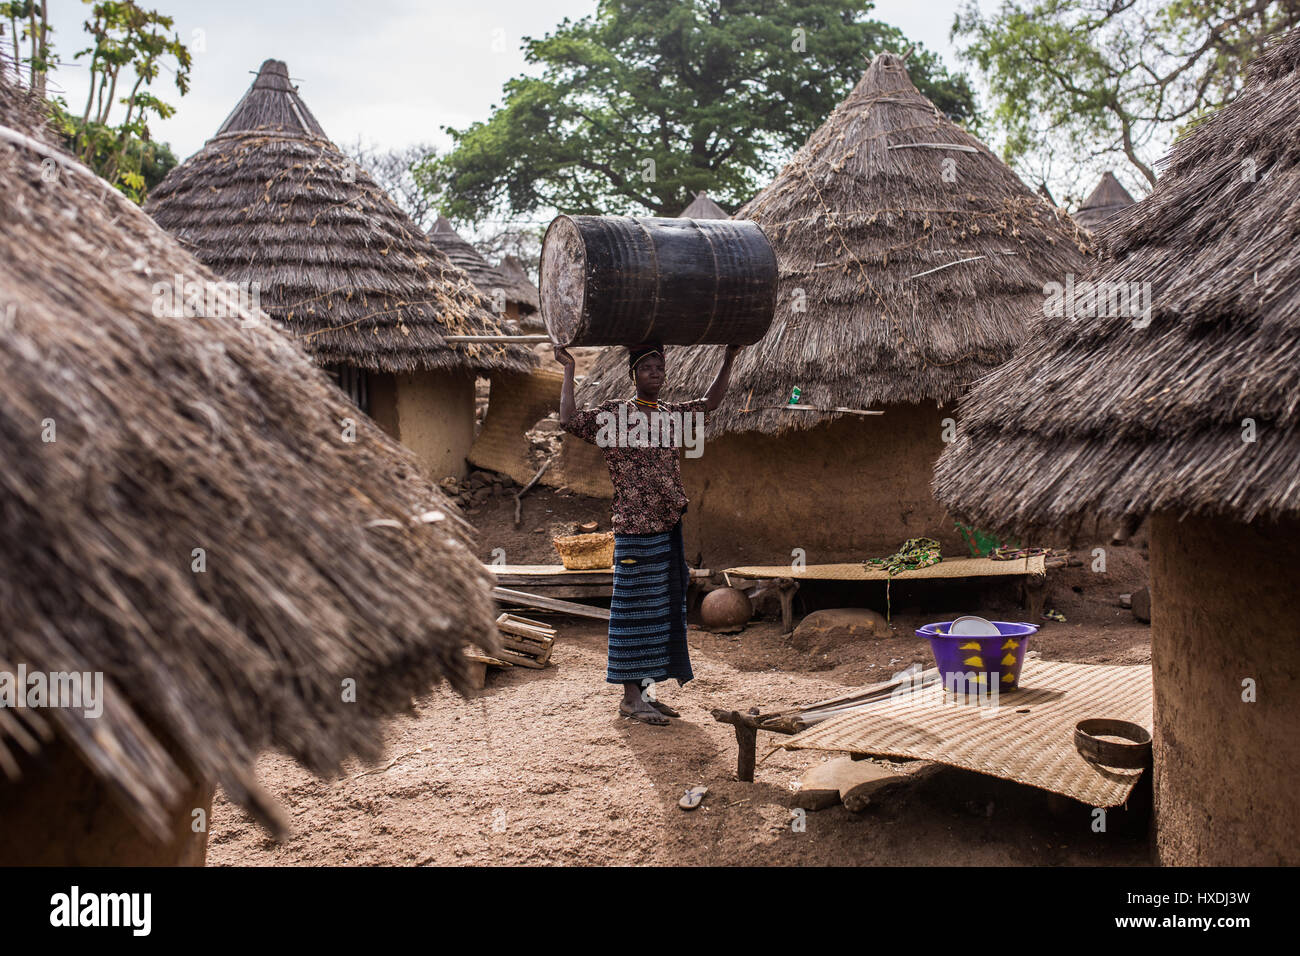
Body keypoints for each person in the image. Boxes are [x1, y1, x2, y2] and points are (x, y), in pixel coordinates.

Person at [555, 342, 741, 725]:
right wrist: (569, 368)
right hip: (634, 530)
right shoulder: (615, 416)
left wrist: (729, 357)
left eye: (659, 366)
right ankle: (629, 700)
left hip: (666, 528)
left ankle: (647, 695)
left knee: (659, 612)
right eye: (646, 367)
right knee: (631, 614)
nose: (654, 372)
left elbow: (710, 403)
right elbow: (568, 420)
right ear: (633, 375)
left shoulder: (673, 416)